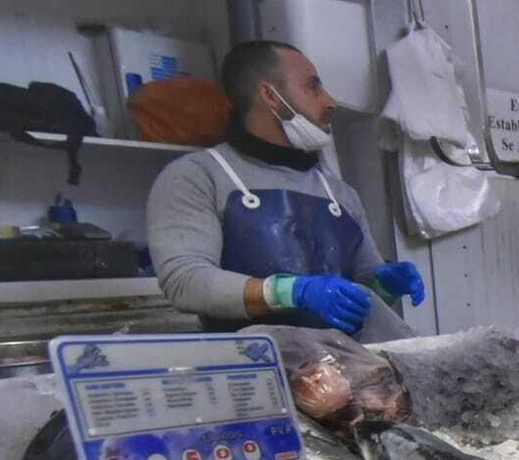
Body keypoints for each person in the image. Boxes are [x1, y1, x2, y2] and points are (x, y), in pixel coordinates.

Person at [147, 40, 424, 339]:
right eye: (313, 87)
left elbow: (364, 293)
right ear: (271, 96)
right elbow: (185, 282)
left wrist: (385, 285)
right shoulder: (196, 176)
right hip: (254, 362)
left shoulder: (339, 193)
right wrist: (289, 291)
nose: (330, 101)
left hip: (345, 363)